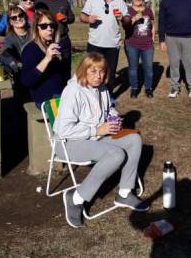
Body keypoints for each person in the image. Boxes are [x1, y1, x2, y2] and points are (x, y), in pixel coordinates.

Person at [54, 53, 148, 228]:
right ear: (84, 70)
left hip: (94, 138)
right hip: (68, 143)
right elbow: (63, 130)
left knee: (134, 139)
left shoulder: (102, 88)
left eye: (102, 72)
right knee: (116, 154)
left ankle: (125, 192)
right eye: (93, 71)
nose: (98, 76)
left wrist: (114, 118)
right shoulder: (73, 91)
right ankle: (75, 198)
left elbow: (109, 108)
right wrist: (97, 129)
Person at [80, 0, 130, 93]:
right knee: (92, 72)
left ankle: (108, 98)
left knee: (109, 74)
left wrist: (123, 18)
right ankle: (91, 97)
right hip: (95, 43)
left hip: (112, 45)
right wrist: (88, 19)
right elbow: (82, 16)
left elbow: (128, 20)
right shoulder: (92, 0)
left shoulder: (120, 1)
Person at [20, 10, 68, 108]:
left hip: (61, 95)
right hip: (45, 100)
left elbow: (64, 75)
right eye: (44, 26)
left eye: (52, 25)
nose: (49, 29)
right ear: (36, 28)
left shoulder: (55, 47)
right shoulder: (31, 49)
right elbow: (26, 81)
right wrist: (47, 58)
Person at [35, 0, 75, 81]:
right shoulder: (38, 1)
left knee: (66, 69)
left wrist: (66, 18)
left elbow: (72, 18)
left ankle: (66, 93)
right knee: (49, 69)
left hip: (63, 39)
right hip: (45, 41)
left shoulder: (63, 0)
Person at [125, 0, 155, 98]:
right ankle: (134, 88)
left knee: (149, 68)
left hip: (147, 44)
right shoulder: (128, 11)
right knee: (133, 68)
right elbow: (125, 27)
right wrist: (134, 19)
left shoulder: (148, 10)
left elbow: (152, 25)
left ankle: (148, 88)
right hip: (132, 44)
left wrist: (152, 40)